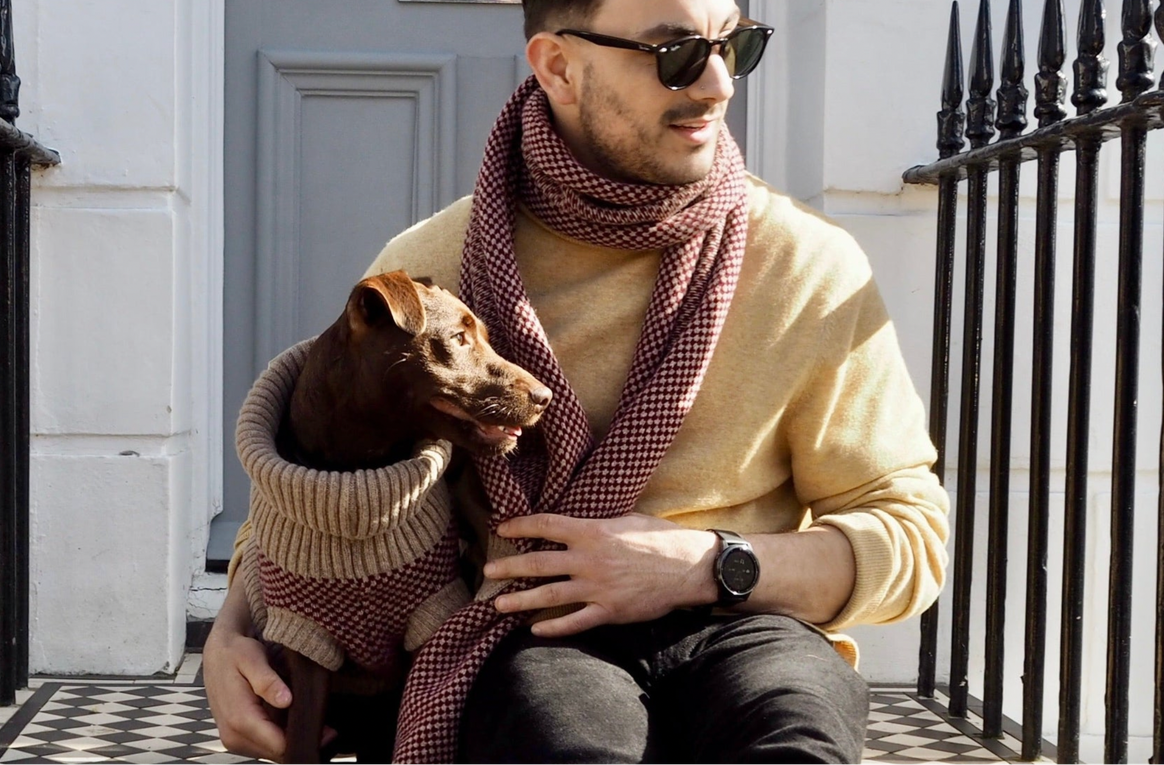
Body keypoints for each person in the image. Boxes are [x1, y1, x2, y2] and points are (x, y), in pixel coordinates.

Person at [205, 0, 950, 762]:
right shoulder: (438, 270)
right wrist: (232, 631)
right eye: (676, 53)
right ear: (557, 66)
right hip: (535, 629)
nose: (720, 83)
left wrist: (706, 564)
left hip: (748, 620)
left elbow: (910, 534)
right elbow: (324, 491)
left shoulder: (807, 264)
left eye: (736, 45)